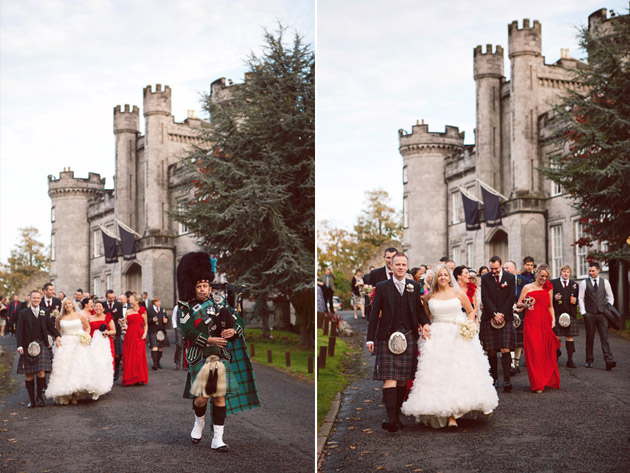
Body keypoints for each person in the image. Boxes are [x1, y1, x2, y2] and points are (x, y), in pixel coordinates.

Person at [177, 252, 260, 452]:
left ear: (210, 287)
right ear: (193, 287)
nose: (202, 289)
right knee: (202, 398)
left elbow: (239, 321)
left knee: (220, 397)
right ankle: (199, 422)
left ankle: (218, 438)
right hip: (201, 357)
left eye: (205, 286)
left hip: (220, 357)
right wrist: (209, 339)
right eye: (199, 286)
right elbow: (187, 330)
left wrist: (234, 330)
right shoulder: (186, 307)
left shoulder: (220, 305)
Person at [402, 265, 498, 428]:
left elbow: (470, 311)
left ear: (449, 277)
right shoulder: (429, 297)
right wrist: (424, 327)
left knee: (458, 372)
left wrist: (468, 326)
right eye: (440, 275)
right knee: (439, 374)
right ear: (435, 278)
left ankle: (456, 412)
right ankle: (445, 412)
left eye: (446, 275)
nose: (443, 278)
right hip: (437, 336)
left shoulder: (458, 293)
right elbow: (426, 318)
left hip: (457, 334)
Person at [366, 253, 431, 433]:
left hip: (408, 335)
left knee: (403, 379)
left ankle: (396, 415)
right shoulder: (382, 287)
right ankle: (391, 418)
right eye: (397, 265)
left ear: (407, 266)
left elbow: (418, 311)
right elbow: (373, 314)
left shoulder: (414, 286)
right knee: (390, 377)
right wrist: (370, 338)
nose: (400, 267)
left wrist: (425, 323)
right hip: (386, 337)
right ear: (391, 267)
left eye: (403, 264)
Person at [516, 264, 561, 393]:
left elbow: (550, 306)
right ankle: (537, 383)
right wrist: (525, 303)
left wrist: (553, 320)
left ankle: (546, 379)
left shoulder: (549, 287)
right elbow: (519, 303)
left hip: (545, 321)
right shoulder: (527, 287)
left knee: (545, 351)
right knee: (534, 351)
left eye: (546, 277)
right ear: (536, 275)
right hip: (531, 322)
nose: (544, 279)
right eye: (542, 276)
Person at [16, 290, 61, 408]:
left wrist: (57, 336)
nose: (35, 300)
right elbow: (19, 331)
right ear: (30, 299)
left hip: (41, 344)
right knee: (29, 374)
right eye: (33, 298)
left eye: (37, 298)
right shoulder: (23, 313)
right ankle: (32, 400)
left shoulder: (45, 312)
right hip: (27, 346)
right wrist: (19, 345)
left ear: (40, 299)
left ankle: (40, 398)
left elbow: (50, 327)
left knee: (41, 372)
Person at [45, 298, 93, 404]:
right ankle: (65, 394)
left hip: (78, 342)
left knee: (76, 368)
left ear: (72, 305)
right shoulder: (60, 317)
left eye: (69, 303)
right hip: (65, 342)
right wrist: (58, 339)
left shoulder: (79, 315)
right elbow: (57, 332)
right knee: (64, 368)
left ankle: (75, 394)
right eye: (65, 304)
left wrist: (86, 336)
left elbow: (87, 327)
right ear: (63, 306)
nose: (67, 305)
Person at [480, 256, 517, 392]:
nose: (494, 271)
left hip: (505, 317)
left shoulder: (510, 278)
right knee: (491, 350)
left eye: (496, 268)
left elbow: (511, 297)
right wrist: (495, 313)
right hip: (489, 316)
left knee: (505, 348)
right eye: (492, 269)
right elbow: (485, 298)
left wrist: (502, 314)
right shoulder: (485, 278)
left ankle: (507, 380)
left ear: (501, 265)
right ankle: (494, 378)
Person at [579, 262, 616, 370]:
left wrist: (608, 309)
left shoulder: (605, 282)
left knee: (604, 337)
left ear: (598, 271)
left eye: (593, 271)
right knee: (590, 338)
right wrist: (583, 312)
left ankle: (609, 360)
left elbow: (611, 297)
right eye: (589, 271)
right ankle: (589, 360)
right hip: (589, 314)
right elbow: (581, 298)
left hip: (602, 314)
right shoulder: (584, 283)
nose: (591, 273)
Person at [551, 265, 580, 368]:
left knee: (570, 336)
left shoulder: (574, 284)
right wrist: (554, 297)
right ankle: (555, 356)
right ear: (560, 272)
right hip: (557, 313)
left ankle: (570, 360)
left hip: (570, 314)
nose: (566, 273)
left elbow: (578, 298)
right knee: (556, 337)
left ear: (570, 273)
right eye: (564, 271)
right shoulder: (553, 283)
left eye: (568, 272)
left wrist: (576, 301)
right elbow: (548, 296)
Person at [87, 300, 115, 399]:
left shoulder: (107, 318)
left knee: (103, 363)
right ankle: (94, 385)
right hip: (93, 343)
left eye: (100, 306)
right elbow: (87, 330)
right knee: (93, 363)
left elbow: (114, 331)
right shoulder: (90, 318)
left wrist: (107, 332)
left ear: (103, 308)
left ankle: (103, 386)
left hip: (104, 343)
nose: (98, 308)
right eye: (96, 306)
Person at [122, 294, 149, 386]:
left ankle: (139, 378)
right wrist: (122, 324)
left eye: (131, 300)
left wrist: (145, 334)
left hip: (139, 335)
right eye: (129, 300)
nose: (130, 302)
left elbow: (146, 324)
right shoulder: (128, 312)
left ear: (137, 301)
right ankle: (129, 378)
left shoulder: (142, 311)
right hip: (129, 335)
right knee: (129, 355)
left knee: (139, 356)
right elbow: (125, 323)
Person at [104, 290, 124, 380]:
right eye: (109, 298)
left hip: (117, 331)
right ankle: (107, 372)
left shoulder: (119, 305)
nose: (112, 300)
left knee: (117, 354)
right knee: (107, 353)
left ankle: (116, 371)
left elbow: (120, 316)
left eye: (113, 298)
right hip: (105, 332)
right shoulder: (103, 305)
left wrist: (121, 322)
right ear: (106, 297)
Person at [147, 297, 170, 370]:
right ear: (154, 302)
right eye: (158, 302)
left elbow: (166, 318)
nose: (159, 303)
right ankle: (154, 364)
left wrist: (166, 320)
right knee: (154, 347)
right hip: (153, 331)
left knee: (160, 348)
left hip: (161, 331)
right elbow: (146, 320)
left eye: (160, 301)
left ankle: (158, 363)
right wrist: (152, 320)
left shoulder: (162, 310)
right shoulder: (149, 310)